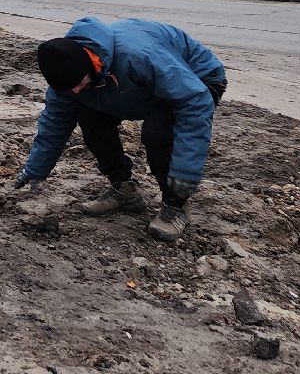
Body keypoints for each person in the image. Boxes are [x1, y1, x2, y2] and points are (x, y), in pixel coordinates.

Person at [14, 17, 227, 242]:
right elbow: (54, 124)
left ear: (89, 63)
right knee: (89, 116)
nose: (75, 91)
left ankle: (174, 204)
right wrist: (35, 169)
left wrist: (186, 173)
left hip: (196, 81)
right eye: (69, 89)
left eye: (78, 84)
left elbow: (194, 101)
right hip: (135, 87)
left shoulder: (140, 55)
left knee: (157, 132)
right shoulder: (67, 79)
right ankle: (124, 189)